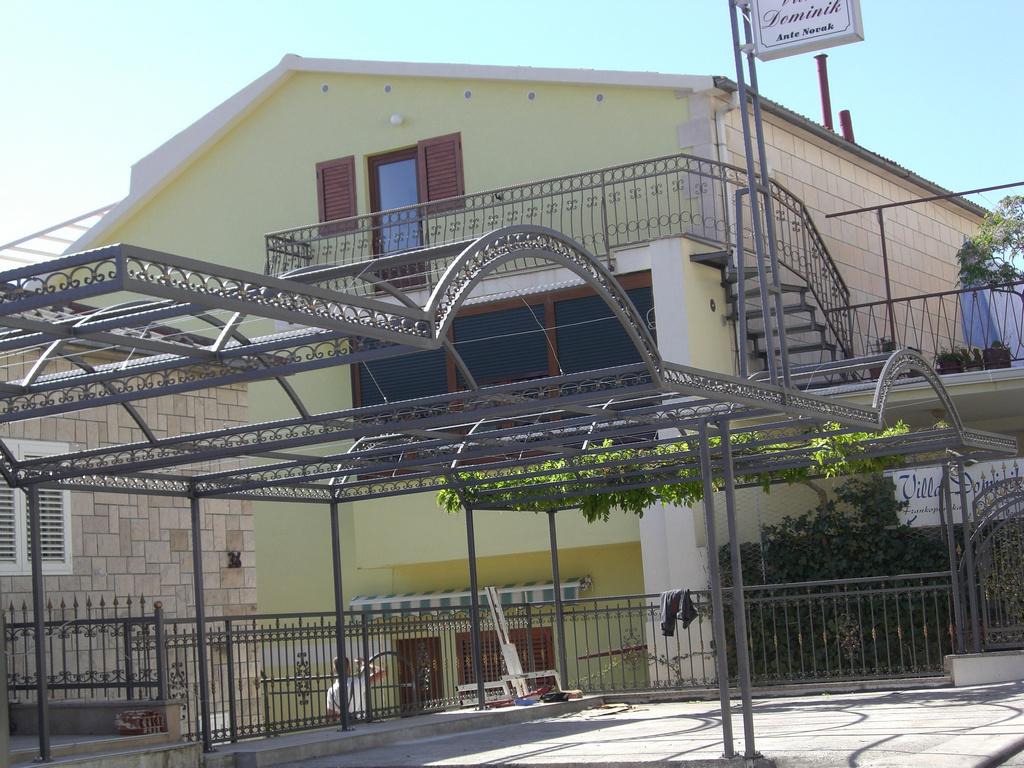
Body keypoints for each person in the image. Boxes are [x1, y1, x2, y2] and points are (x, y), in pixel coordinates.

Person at [326, 656, 386, 720]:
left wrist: (341, 713)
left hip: (344, 725)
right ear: (348, 667)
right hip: (360, 723)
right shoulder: (356, 684)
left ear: (335, 670)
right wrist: (365, 664)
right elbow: (382, 672)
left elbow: (330, 718)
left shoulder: (331, 691)